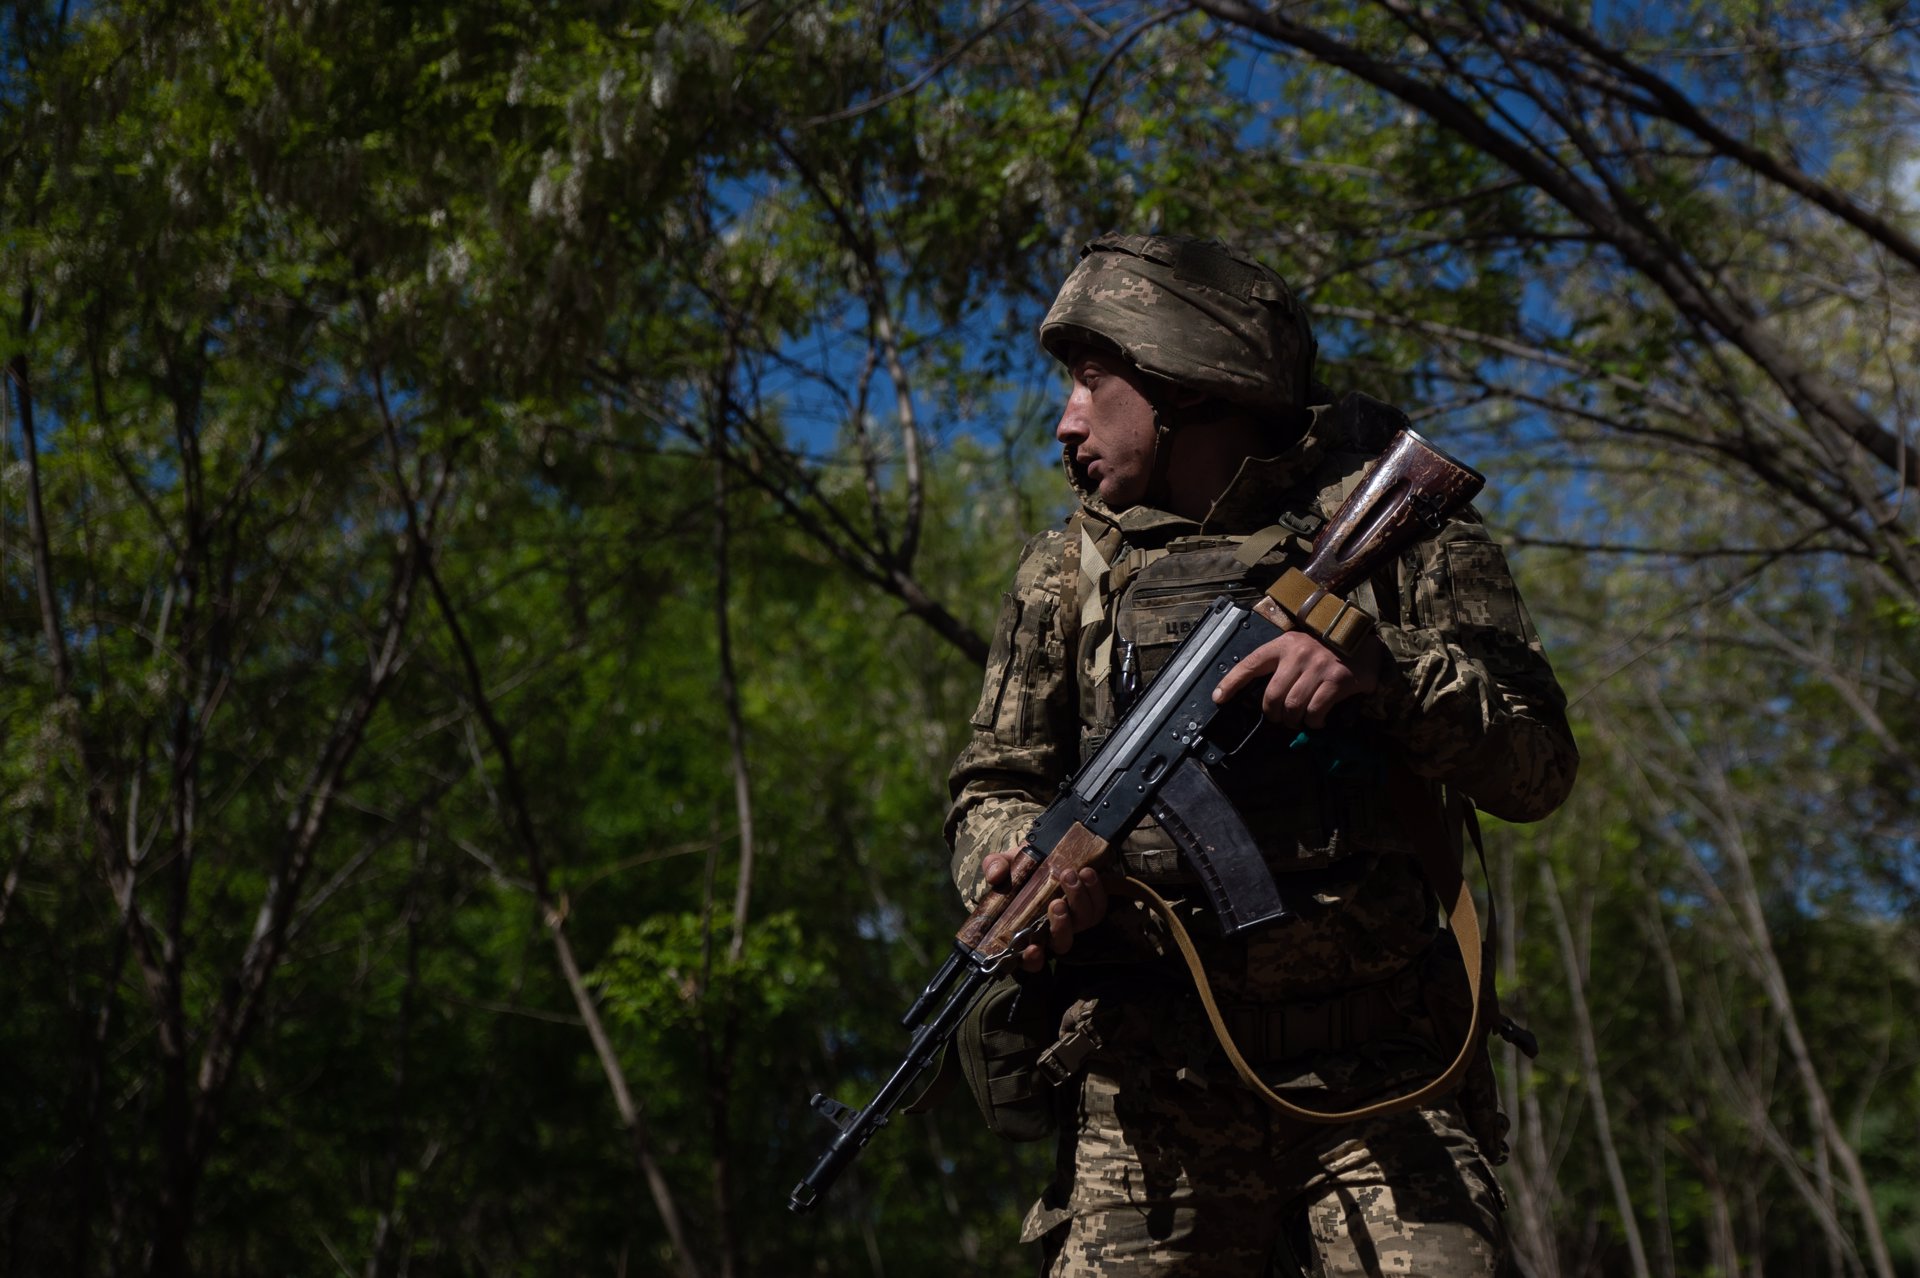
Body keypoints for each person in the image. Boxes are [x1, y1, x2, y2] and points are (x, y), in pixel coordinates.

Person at [945, 233, 1578, 1277]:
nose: (1064, 421)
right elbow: (994, 784)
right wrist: (1019, 866)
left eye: (1088, 382)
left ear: (1184, 382)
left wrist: (1389, 673)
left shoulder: (1404, 533)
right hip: (1151, 1103)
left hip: (1387, 1085)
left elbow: (1539, 769)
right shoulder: (1064, 572)